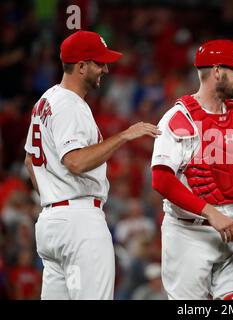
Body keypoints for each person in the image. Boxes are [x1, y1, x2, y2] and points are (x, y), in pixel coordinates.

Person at [23, 30, 160, 300]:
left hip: (52, 221)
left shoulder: (46, 100)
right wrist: (124, 135)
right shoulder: (70, 105)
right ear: (82, 66)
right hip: (79, 223)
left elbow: (30, 160)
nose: (105, 69)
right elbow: (75, 161)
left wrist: (53, 198)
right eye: (99, 63)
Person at [151, 39, 233, 300]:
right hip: (188, 234)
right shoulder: (179, 118)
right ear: (217, 71)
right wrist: (210, 213)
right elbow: (161, 180)